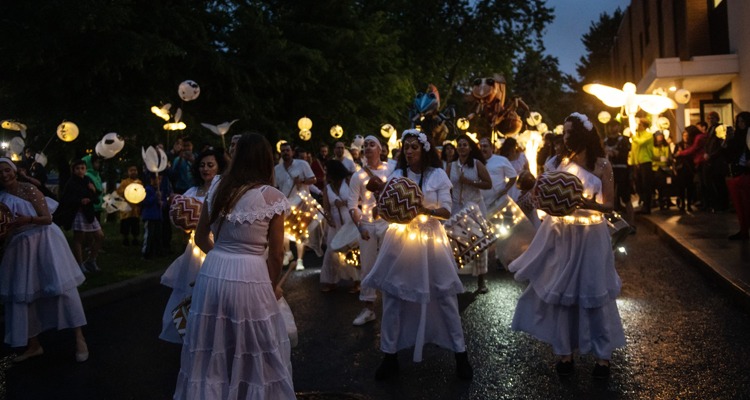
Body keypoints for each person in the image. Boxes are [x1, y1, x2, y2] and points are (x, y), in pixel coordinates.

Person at [173, 133, 295, 399]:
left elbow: (200, 236)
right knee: (257, 346)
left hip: (213, 272)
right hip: (251, 274)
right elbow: (276, 254)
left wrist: (221, 256)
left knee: (212, 343)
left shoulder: (217, 186)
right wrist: (271, 286)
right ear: (265, 160)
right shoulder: (271, 196)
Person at [508, 113, 625, 379]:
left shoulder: (602, 165)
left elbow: (609, 205)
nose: (566, 137)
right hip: (562, 233)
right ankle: (564, 354)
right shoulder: (556, 162)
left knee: (594, 291)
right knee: (562, 292)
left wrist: (583, 203)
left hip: (592, 234)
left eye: (571, 132)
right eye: (566, 132)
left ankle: (602, 357)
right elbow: (544, 197)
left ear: (584, 134)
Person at [362, 129, 473, 381]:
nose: (409, 151)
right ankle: (389, 356)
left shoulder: (438, 175)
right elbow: (383, 212)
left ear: (424, 149)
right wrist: (382, 199)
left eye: (414, 146)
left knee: (444, 296)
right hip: (400, 240)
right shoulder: (397, 174)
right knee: (392, 297)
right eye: (406, 147)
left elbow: (446, 211)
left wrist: (421, 207)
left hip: (430, 240)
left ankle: (461, 355)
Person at [0, 157, 89, 363]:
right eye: (0, 173)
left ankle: (79, 338)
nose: (4, 175)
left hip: (44, 241)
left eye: (7, 170)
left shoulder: (29, 190)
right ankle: (34, 345)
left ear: (14, 171)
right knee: (22, 294)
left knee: (62, 290)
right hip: (20, 247)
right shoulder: (2, 197)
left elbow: (47, 218)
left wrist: (27, 220)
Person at [159, 149, 226, 344]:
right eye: (202, 165)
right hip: (194, 250)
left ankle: (216, 335)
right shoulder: (191, 192)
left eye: (210, 165)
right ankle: (192, 332)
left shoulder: (222, 191)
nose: (205, 169)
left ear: (219, 167)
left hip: (216, 246)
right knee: (191, 289)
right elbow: (181, 222)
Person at [347, 136, 392, 326]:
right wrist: (360, 226)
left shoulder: (392, 169)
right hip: (367, 224)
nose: (367, 147)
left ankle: (393, 307)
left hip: (388, 222)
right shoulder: (357, 176)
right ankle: (368, 309)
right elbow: (352, 205)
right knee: (367, 265)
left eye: (371, 144)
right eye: (365, 145)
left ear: (380, 149)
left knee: (391, 263)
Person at [446, 134, 492, 292]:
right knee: (455, 244)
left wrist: (471, 182)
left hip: (474, 208)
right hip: (456, 208)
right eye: (459, 145)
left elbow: (488, 184)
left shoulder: (477, 164)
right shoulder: (451, 166)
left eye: (465, 145)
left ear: (470, 148)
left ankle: (481, 282)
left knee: (479, 244)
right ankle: (456, 281)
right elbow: (446, 186)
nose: (461, 147)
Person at [54, 159, 104, 273]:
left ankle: (91, 260)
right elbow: (66, 199)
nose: (80, 171)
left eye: (82, 168)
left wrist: (93, 191)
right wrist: (80, 201)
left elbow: (95, 198)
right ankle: (79, 264)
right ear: (73, 170)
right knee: (79, 239)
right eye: (77, 168)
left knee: (100, 236)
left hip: (89, 213)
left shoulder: (87, 180)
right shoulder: (71, 183)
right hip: (78, 213)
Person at [319, 159, 360, 292]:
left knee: (350, 251)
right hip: (334, 224)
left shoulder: (348, 182)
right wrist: (329, 218)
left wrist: (345, 203)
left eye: (327, 170)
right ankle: (331, 281)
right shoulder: (327, 187)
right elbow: (326, 208)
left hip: (349, 221)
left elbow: (358, 200)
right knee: (332, 252)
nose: (325, 173)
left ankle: (357, 281)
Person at [274, 142, 316, 270]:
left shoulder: (302, 164)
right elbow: (276, 187)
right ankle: (288, 253)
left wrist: (302, 182)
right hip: (285, 204)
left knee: (300, 234)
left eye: (287, 150)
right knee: (284, 233)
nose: (285, 153)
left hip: (301, 203)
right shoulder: (277, 169)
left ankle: (299, 260)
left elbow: (313, 179)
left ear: (292, 152)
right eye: (283, 151)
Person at [726, 112, 750, 240]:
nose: (740, 124)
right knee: (739, 205)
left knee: (746, 204)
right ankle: (743, 230)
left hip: (746, 173)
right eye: (739, 121)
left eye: (743, 121)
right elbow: (727, 155)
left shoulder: (748, 135)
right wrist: (727, 141)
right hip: (736, 172)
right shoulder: (736, 137)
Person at [604, 125, 634, 227]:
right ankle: (612, 224)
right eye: (611, 126)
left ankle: (631, 224)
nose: (612, 128)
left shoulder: (624, 140)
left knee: (626, 197)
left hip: (622, 171)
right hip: (609, 171)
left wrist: (615, 153)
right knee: (609, 197)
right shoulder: (605, 141)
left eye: (614, 126)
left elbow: (625, 154)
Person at [703, 111, 730, 212]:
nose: (710, 120)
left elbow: (721, 146)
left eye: (712, 118)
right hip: (711, 159)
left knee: (719, 183)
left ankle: (722, 205)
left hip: (717, 161)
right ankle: (716, 204)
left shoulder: (719, 128)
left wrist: (711, 155)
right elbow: (707, 144)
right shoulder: (710, 129)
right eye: (709, 118)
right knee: (712, 182)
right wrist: (706, 153)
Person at [631, 118, 654, 214]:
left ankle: (647, 207)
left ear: (644, 126)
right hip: (638, 163)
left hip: (646, 162)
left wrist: (633, 137)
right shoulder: (637, 136)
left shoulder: (648, 135)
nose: (638, 126)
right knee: (639, 185)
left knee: (646, 185)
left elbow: (641, 143)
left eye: (640, 124)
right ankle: (642, 203)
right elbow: (634, 150)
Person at [673, 126, 699, 213]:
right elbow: (674, 156)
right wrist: (678, 153)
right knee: (681, 187)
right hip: (681, 168)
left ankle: (689, 205)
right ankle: (682, 204)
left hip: (690, 168)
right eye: (684, 135)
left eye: (687, 135)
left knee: (690, 187)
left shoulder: (692, 144)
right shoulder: (678, 145)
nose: (685, 137)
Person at [117, 165, 142, 246]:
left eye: (135, 170)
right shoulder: (124, 182)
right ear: (128, 172)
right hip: (126, 208)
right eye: (131, 170)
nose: (133, 172)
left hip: (135, 209)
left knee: (135, 224)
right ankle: (125, 239)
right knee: (125, 224)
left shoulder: (139, 182)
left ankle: (135, 239)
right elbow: (120, 193)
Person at [499, 137, 528, 202]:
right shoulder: (503, 159)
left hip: (522, 184)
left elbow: (527, 170)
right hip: (510, 185)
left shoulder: (521, 156)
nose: (513, 149)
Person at [652, 131, 673, 210]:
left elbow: (669, 156)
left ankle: (667, 199)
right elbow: (651, 156)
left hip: (666, 169)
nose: (660, 137)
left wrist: (669, 160)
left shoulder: (666, 146)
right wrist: (659, 159)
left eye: (661, 136)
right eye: (658, 136)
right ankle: (661, 200)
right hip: (657, 168)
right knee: (660, 185)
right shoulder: (652, 146)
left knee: (668, 183)